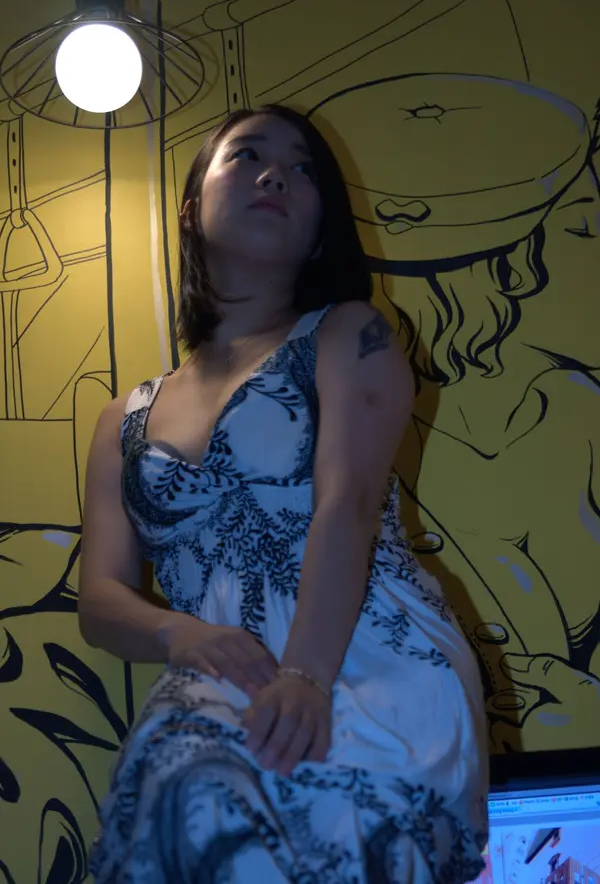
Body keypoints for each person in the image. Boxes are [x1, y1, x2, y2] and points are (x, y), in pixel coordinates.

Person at [78, 104, 488, 884]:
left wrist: (304, 677)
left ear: (320, 230)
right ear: (191, 209)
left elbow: (348, 505)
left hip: (361, 659)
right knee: (174, 797)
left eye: (303, 170)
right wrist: (177, 632)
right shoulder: (118, 420)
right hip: (216, 675)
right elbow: (99, 598)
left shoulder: (348, 333)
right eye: (248, 156)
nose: (276, 175)